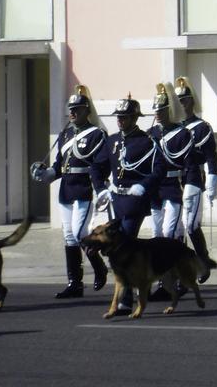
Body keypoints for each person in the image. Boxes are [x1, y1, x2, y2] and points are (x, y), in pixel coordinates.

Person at [30, 85, 109, 298]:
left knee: (79, 232)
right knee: (69, 237)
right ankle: (75, 283)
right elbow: (59, 165)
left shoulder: (97, 134)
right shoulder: (65, 134)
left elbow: (100, 164)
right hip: (66, 189)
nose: (72, 113)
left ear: (86, 110)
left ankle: (99, 266)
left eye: (77, 109)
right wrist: (45, 173)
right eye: (71, 109)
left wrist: (100, 188)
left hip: (83, 188)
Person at [90, 93, 165, 313]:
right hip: (116, 199)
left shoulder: (146, 142)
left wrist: (145, 185)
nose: (120, 120)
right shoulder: (112, 140)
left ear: (135, 118)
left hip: (134, 200)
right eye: (119, 116)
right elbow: (97, 167)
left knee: (125, 246)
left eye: (125, 117)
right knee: (115, 248)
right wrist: (100, 188)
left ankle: (125, 299)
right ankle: (131, 290)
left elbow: (159, 169)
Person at [173, 76, 217, 281]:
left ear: (191, 101)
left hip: (193, 177)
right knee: (177, 227)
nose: (181, 104)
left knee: (190, 224)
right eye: (178, 101)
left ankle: (203, 261)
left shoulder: (202, 127)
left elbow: (211, 158)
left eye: (184, 100)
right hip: (174, 180)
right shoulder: (172, 128)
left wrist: (212, 184)